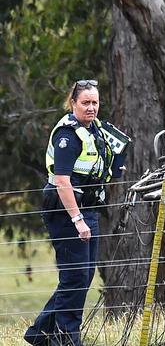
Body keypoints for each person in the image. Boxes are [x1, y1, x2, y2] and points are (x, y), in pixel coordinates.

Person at [24, 80, 129, 346]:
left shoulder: (96, 131)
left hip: (89, 207)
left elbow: (101, 167)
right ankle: (67, 337)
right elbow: (62, 181)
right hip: (66, 210)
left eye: (95, 102)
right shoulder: (67, 135)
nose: (91, 108)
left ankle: (40, 333)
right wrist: (77, 220)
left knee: (83, 275)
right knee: (74, 277)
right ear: (73, 103)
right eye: (85, 103)